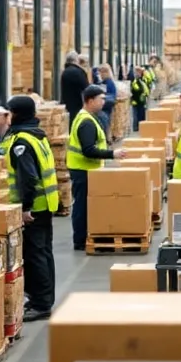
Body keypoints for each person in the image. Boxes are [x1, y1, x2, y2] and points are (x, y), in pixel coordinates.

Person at [4, 95, 59, 321]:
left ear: (16, 114)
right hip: (46, 204)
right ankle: (45, 299)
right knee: (44, 252)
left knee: (35, 255)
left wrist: (25, 207)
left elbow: (28, 178)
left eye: (9, 112)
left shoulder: (21, 142)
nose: (7, 117)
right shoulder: (37, 136)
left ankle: (41, 303)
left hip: (33, 208)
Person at [67, 85, 128, 250]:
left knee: (85, 205)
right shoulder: (86, 122)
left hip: (85, 169)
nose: (103, 102)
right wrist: (112, 154)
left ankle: (84, 236)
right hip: (83, 170)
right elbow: (88, 150)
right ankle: (79, 241)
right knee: (81, 206)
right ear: (90, 100)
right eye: (101, 99)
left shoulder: (87, 117)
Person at [59, 51, 89, 125]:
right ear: (76, 60)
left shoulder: (65, 72)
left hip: (67, 102)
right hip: (78, 103)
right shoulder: (78, 72)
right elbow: (86, 88)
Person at [129, 65, 149, 130]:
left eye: (140, 72)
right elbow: (136, 90)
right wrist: (142, 92)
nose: (139, 73)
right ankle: (136, 127)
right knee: (136, 115)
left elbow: (145, 87)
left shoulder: (141, 79)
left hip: (141, 100)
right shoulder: (135, 80)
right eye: (137, 72)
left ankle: (141, 126)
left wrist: (145, 94)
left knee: (141, 114)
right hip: (136, 101)